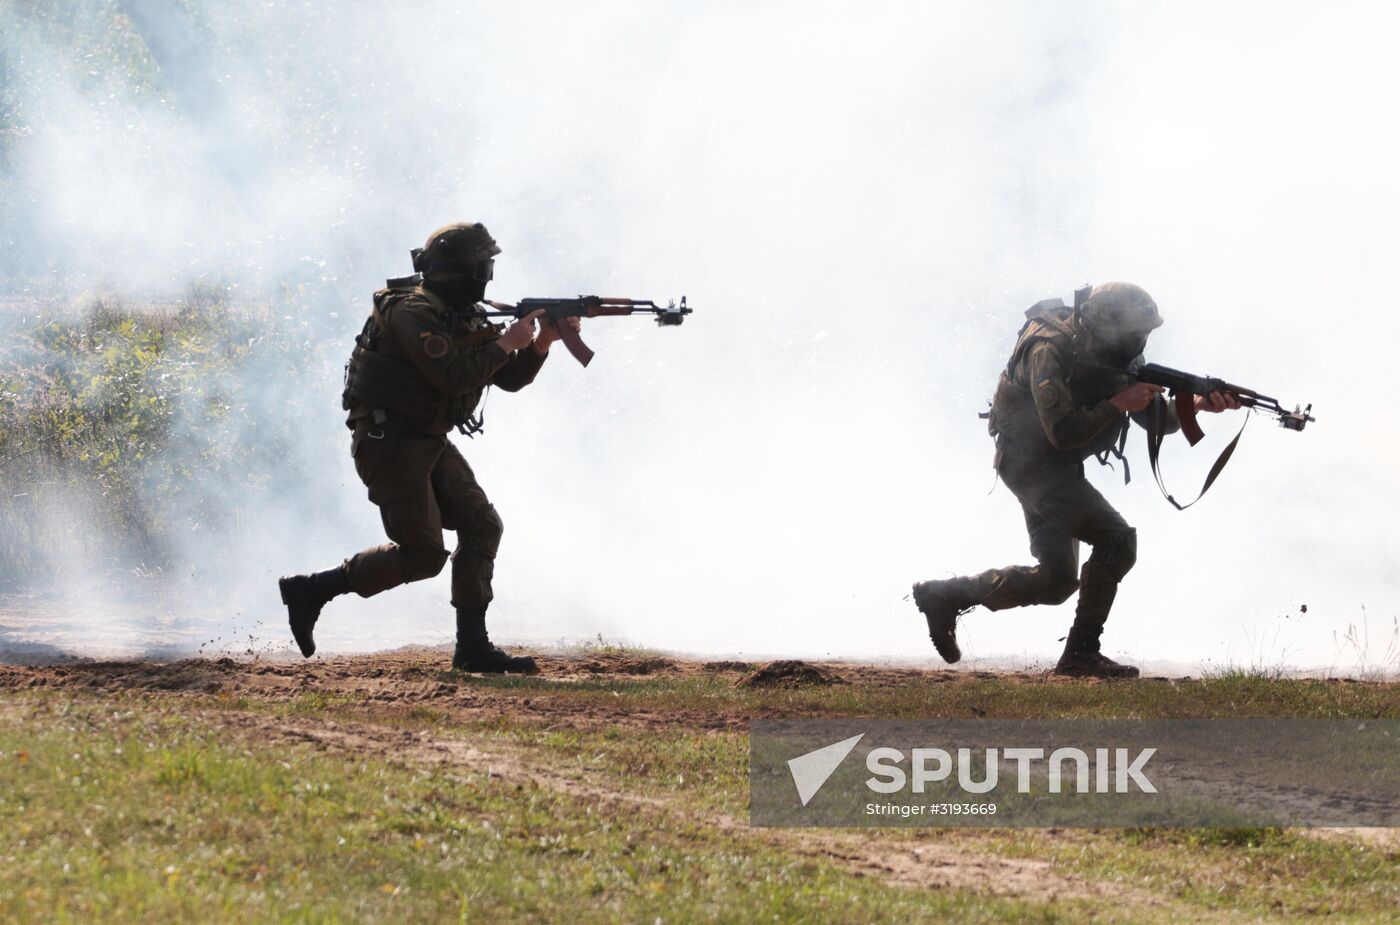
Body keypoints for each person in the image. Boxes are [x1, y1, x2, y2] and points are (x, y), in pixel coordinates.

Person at [278, 222, 577, 673]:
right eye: (483, 266)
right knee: (424, 555)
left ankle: (472, 648)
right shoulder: (412, 312)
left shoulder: (464, 311)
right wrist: (505, 342)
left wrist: (539, 344)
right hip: (389, 442)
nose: (488, 275)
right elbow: (454, 377)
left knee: (482, 525)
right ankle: (311, 591)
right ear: (460, 270)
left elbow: (505, 378)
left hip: (424, 438)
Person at [912, 282, 1239, 678]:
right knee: (1117, 541)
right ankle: (1081, 654)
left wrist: (1200, 403)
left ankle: (944, 595)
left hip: (1053, 468)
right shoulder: (1048, 349)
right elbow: (1063, 431)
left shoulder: (1115, 357)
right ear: (1104, 327)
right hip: (1031, 466)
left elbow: (1152, 417)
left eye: (1144, 335)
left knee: (1056, 581)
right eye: (1134, 334)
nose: (1139, 344)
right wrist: (1119, 401)